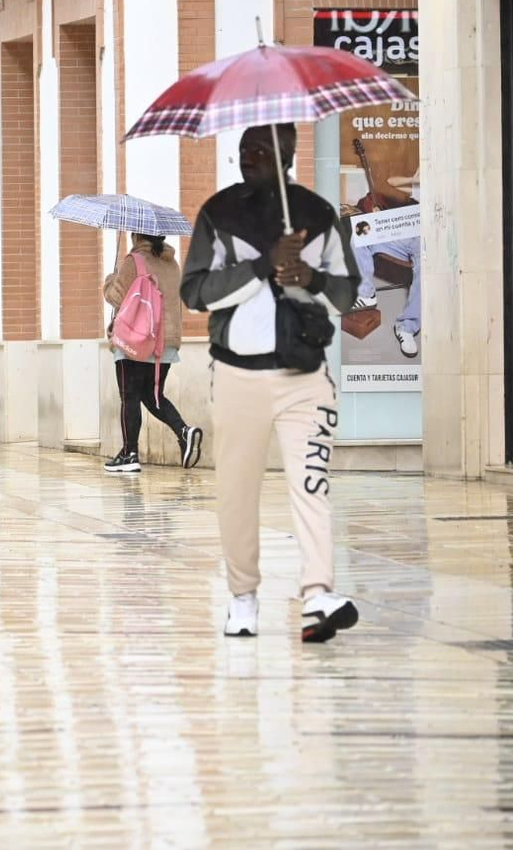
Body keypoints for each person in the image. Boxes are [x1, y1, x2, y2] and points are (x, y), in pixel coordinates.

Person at [181, 123, 363, 644]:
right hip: (237, 374)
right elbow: (195, 293)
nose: (248, 157)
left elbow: (347, 294)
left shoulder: (318, 214)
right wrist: (264, 264)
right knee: (236, 492)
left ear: (287, 154)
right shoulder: (219, 213)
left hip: (305, 377)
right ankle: (243, 597)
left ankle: (318, 594)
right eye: (244, 150)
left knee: (312, 485)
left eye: (260, 150)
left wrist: (309, 278)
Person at [102, 232, 202, 473]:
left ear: (137, 235)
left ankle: (130, 454)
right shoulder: (172, 264)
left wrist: (110, 280)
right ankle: (184, 432)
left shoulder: (133, 261)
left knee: (129, 397)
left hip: (134, 341)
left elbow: (116, 297)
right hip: (165, 343)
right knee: (152, 395)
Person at [349, 171, 421, 358]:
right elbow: (392, 181)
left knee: (425, 271)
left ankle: (406, 328)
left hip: (427, 235)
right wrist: (416, 179)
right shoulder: (423, 184)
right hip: (406, 228)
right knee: (359, 235)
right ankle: (366, 294)